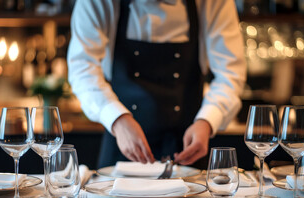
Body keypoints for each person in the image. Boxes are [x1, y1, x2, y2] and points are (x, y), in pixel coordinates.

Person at [67, 0, 246, 169]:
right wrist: (117, 120)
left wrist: (207, 121)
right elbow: (82, 68)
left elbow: (230, 73)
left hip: (188, 148)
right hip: (121, 146)